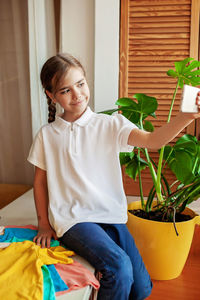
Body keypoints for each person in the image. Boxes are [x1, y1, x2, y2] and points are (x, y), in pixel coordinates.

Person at [28, 53, 200, 300]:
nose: (77, 94)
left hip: (111, 216)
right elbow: (39, 182)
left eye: (80, 84)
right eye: (65, 90)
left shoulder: (110, 124)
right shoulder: (47, 135)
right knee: (119, 268)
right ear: (51, 95)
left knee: (141, 289)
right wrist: (44, 223)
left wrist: (186, 117)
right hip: (74, 219)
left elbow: (153, 141)